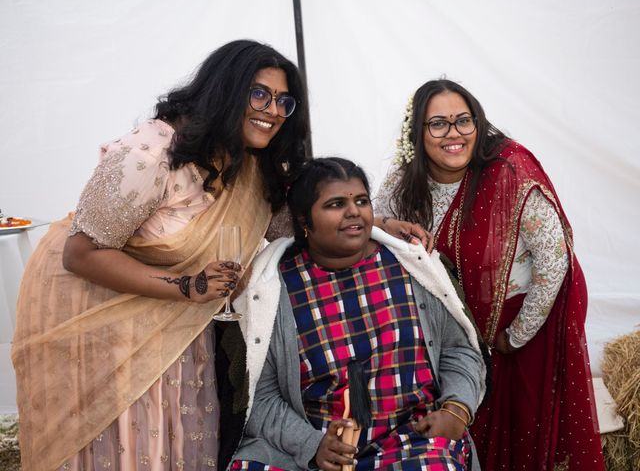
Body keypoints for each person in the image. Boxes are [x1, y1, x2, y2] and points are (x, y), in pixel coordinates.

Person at [11, 39, 310, 471]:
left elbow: (292, 228)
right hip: (95, 311)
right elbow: (80, 253)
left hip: (180, 318)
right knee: (121, 448)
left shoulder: (251, 163)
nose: (273, 111)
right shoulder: (151, 153)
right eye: (259, 94)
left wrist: (376, 225)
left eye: (284, 101)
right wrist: (188, 285)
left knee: (176, 438)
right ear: (225, 90)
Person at [375, 78, 606, 470]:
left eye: (463, 120)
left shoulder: (510, 173)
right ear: (417, 132)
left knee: (520, 443)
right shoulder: (403, 184)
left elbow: (553, 262)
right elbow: (374, 234)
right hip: (448, 335)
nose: (454, 134)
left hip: (516, 331)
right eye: (438, 124)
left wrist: (514, 338)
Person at [228, 157, 486, 471]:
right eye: (336, 204)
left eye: (361, 201)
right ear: (304, 222)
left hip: (412, 439)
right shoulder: (272, 289)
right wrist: (312, 445)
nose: (354, 211)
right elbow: (262, 395)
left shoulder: (411, 267)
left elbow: (459, 350)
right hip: (315, 444)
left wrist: (457, 409)